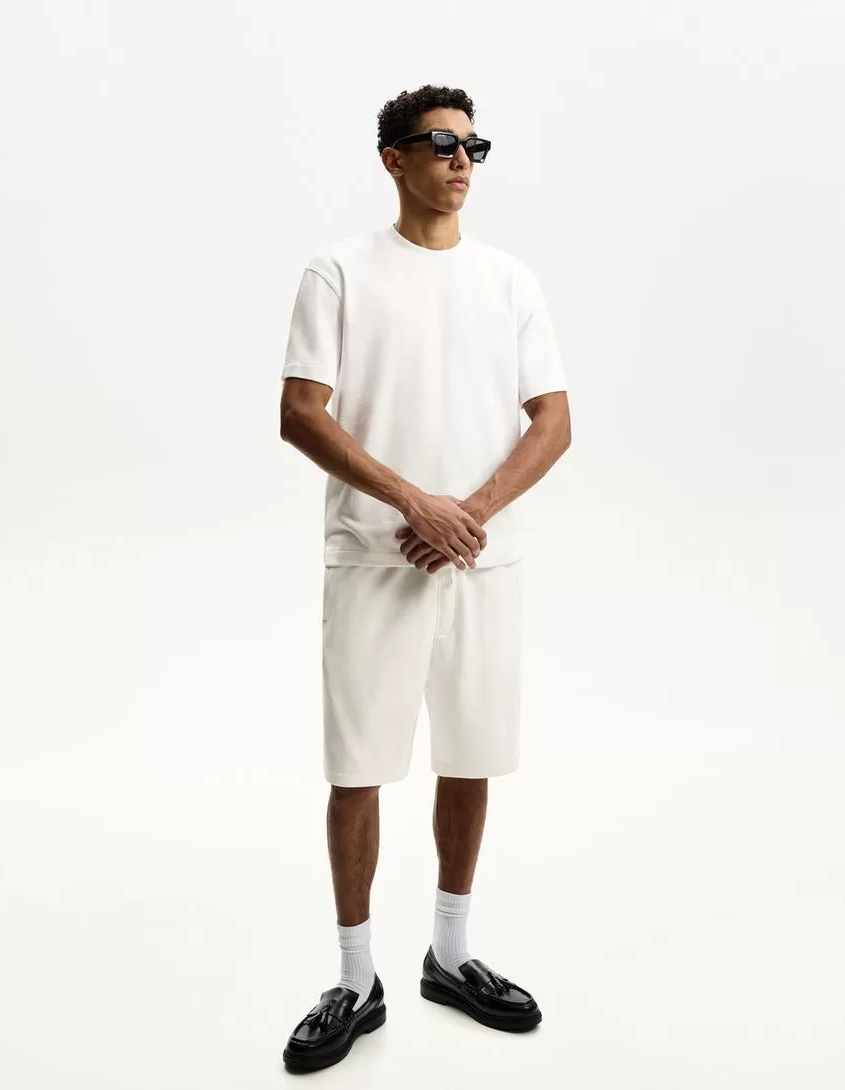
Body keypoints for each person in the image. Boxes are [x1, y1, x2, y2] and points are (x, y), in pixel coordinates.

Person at [279, 83, 571, 1073]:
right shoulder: (339, 272)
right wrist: (415, 502)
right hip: (375, 556)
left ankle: (449, 955)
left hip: (482, 560)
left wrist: (466, 515)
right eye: (440, 144)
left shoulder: (508, 280)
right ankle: (355, 977)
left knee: (470, 753)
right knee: (356, 768)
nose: (460, 161)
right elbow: (301, 411)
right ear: (392, 158)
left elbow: (554, 420)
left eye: (473, 147)